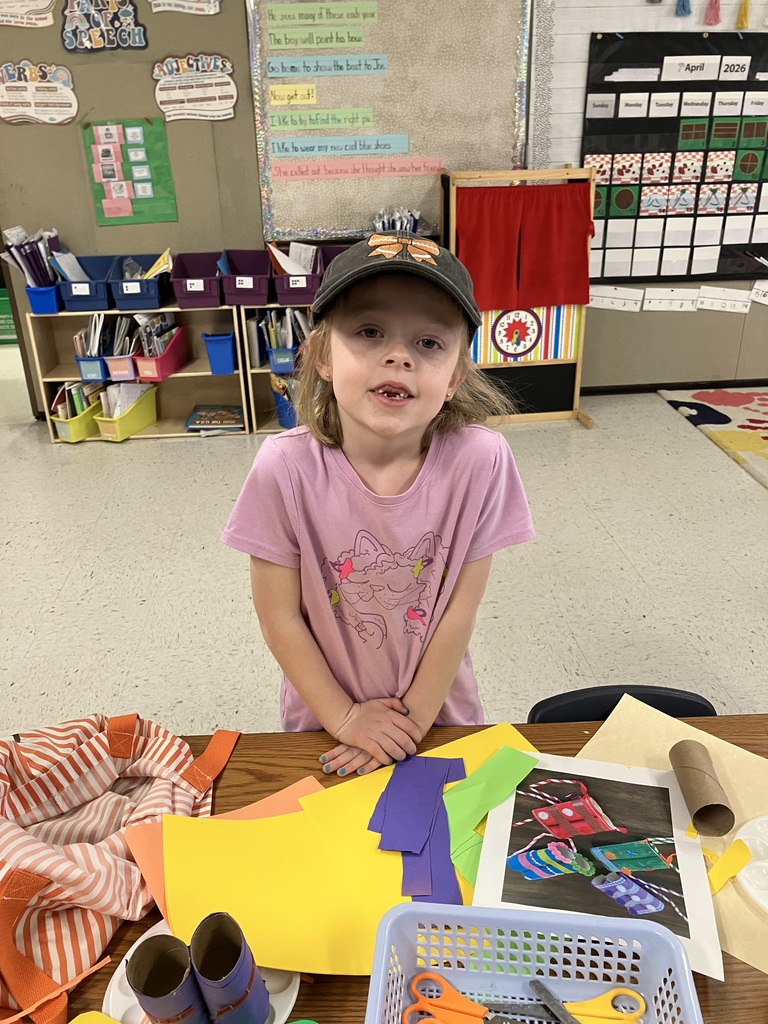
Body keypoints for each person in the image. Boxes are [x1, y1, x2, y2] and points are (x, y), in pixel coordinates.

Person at [221, 233, 535, 777]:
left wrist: (406, 725)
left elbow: (460, 610)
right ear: (321, 355)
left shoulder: (482, 461)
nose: (398, 356)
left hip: (438, 718)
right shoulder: (284, 468)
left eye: (429, 343)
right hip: (325, 727)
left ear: (457, 373)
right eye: (369, 332)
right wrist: (347, 719)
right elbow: (279, 617)